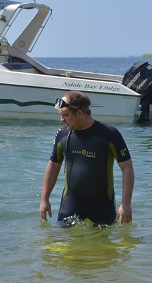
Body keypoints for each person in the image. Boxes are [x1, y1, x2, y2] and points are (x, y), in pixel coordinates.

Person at [39, 91, 135, 226]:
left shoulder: (109, 134)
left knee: (102, 246)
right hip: (71, 202)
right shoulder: (63, 135)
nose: (62, 119)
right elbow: (53, 165)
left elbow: (127, 167)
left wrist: (125, 204)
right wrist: (44, 199)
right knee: (60, 245)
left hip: (102, 204)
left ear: (79, 113)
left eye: (65, 115)